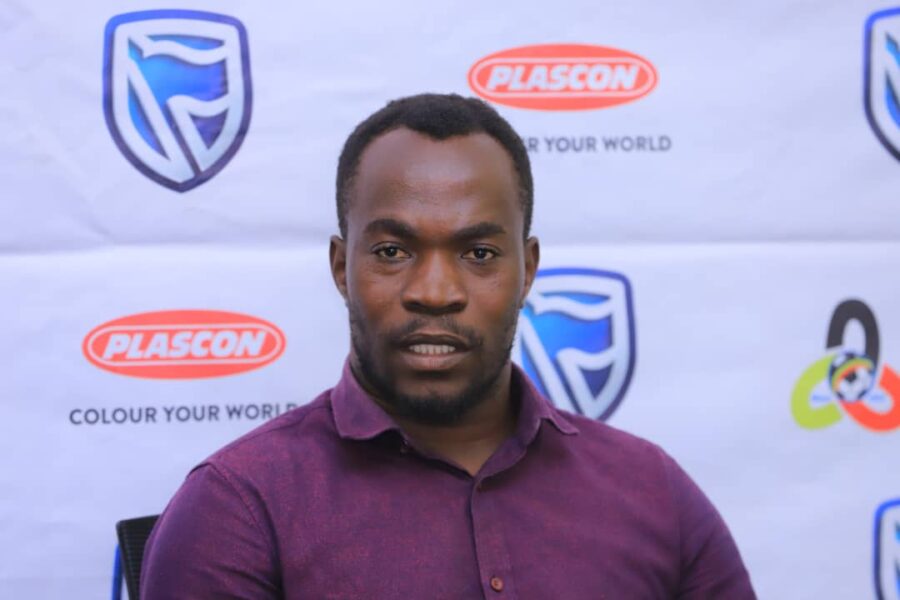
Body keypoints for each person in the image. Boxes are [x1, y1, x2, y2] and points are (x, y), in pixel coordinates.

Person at [141, 93, 756, 599]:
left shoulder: (652, 492)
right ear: (340, 268)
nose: (434, 292)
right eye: (392, 251)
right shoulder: (239, 508)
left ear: (528, 269)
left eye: (479, 253)